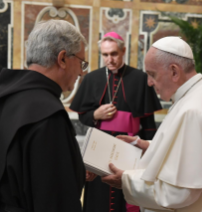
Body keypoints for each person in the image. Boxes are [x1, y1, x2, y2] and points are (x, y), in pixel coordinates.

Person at [102, 36, 202, 212]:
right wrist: (148, 146)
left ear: (174, 71)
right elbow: (188, 150)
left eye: (152, 74)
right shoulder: (201, 91)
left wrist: (125, 180)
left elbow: (178, 192)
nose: (149, 82)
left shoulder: (192, 110)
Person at [0, 20, 87, 212]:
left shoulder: (8, 100)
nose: (82, 71)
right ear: (62, 58)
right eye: (81, 62)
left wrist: (74, 171)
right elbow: (55, 201)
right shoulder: (48, 115)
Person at [70, 32, 162, 212]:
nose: (109, 59)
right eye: (105, 55)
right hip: (100, 146)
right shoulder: (91, 79)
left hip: (130, 147)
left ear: (123, 51)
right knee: (99, 194)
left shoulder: (140, 79)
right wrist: (95, 114)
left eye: (114, 54)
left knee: (126, 192)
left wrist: (148, 151)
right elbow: (83, 116)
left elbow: (149, 124)